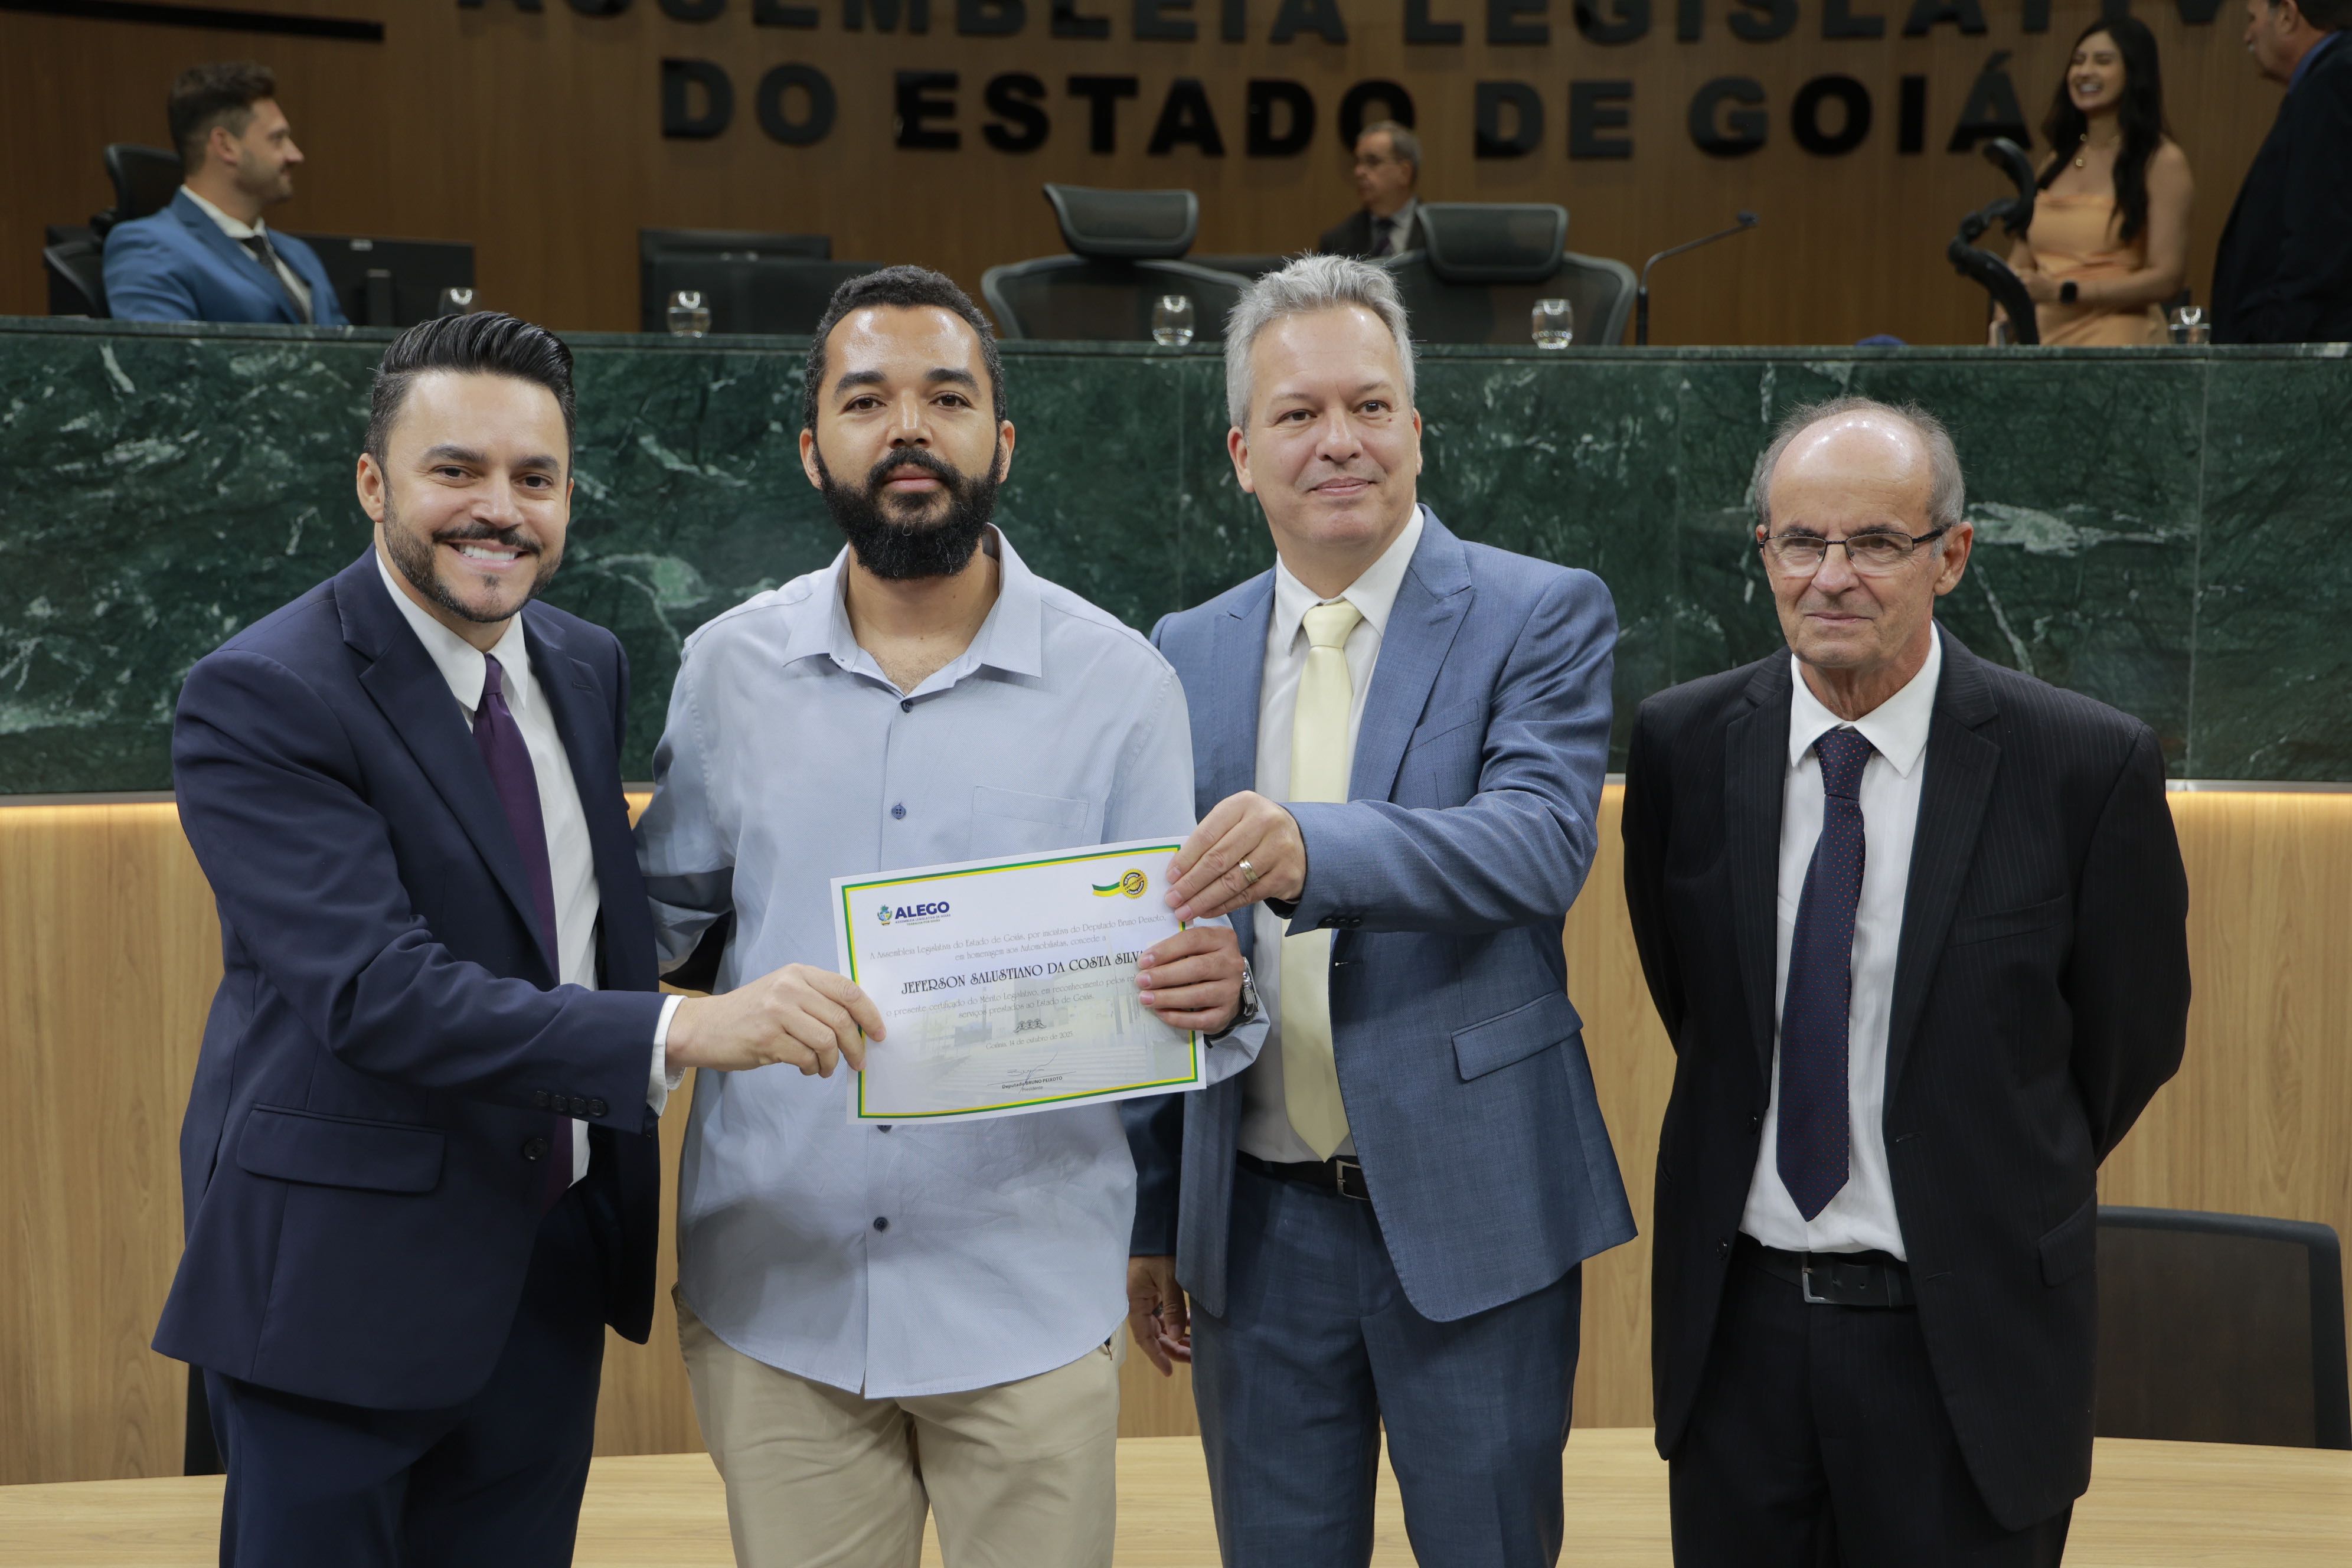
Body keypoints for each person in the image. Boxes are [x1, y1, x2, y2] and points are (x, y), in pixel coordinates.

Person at [161, 312, 858, 1564]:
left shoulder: (583, 665)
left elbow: (589, 924)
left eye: (535, 477)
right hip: (338, 1287)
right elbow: (376, 990)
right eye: (456, 470)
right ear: (373, 482)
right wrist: (682, 1028)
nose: (499, 509)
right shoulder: (262, 691)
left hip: (546, 1267)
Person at [633, 265, 1259, 1568]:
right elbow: (654, 931)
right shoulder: (728, 668)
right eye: (866, 400)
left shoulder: (1121, 684)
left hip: (1025, 1292)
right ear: (813, 448)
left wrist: (1218, 997)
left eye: (947, 398)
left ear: (1001, 442)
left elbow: (1175, 974)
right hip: (780, 1287)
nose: (908, 429)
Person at [1122, 254, 1634, 1568]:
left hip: (1475, 1212)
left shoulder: (1539, 610)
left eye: (1368, 406)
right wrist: (1153, 1214)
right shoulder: (1182, 647)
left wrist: (1308, 851)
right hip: (1255, 1228)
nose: (1337, 441)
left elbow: (1535, 845)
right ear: (1243, 455)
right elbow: (1159, 933)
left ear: (1417, 428)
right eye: (1297, 414)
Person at [1622, 397, 2191, 1566]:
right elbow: (1700, 1010)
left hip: (1965, 1347)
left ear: (1952, 555)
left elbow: (2126, 1043)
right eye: (1801, 541)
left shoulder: (2082, 765)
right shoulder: (1683, 745)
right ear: (1764, 552)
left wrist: (1978, 1163)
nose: (1832, 576)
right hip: (1739, 1348)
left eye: (1876, 542)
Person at [1995, 17, 2193, 347]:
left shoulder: (2162, 161)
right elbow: (2019, 263)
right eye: (2078, 61)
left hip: (2119, 346)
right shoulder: (2056, 160)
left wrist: (2066, 292)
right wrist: (2003, 323)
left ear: (2134, 73)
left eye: (2102, 61)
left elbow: (2167, 278)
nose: (2085, 72)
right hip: (2042, 345)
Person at [103, 61, 347, 326]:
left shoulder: (300, 255)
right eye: (277, 139)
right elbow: (163, 353)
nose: (295, 155)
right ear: (226, 146)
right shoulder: (148, 248)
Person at [2211, 0, 2352, 342]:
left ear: (2288, 15)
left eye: (2253, 19)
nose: (2247, 35)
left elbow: (2321, 233)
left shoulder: (2334, 80)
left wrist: (2272, 337)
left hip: (2310, 350)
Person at [1317, 122, 1427, 260]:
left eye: (1372, 162)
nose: (1358, 172)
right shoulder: (1336, 242)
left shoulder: (1439, 234)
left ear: (1404, 172)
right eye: (1358, 162)